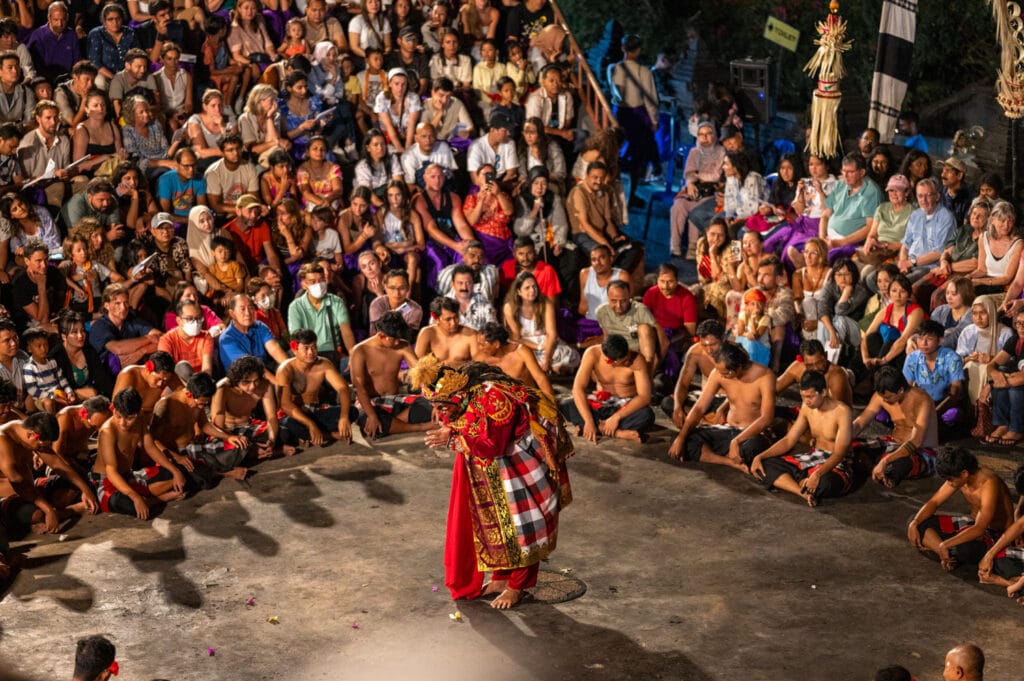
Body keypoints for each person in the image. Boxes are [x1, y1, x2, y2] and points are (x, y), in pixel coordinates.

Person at [415, 357, 573, 609]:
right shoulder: (461, 395)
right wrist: (451, 428)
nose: (441, 413)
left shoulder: (495, 400)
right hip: (489, 465)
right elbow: (461, 422)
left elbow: (493, 446)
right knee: (494, 525)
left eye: (443, 407)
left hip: (517, 461)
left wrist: (452, 436)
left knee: (522, 525)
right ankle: (501, 577)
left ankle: (517, 586)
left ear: (459, 395)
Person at [751, 371, 855, 506]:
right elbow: (789, 440)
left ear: (823, 392)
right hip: (813, 457)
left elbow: (840, 453)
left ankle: (802, 482)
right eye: (803, 397)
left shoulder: (842, 411)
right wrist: (760, 456)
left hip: (836, 462)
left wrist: (817, 474)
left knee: (825, 484)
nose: (806, 401)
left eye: (810, 396)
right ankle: (802, 491)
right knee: (764, 465)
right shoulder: (807, 407)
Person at [669, 342, 774, 471]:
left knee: (751, 448)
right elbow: (699, 407)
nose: (721, 375)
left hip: (752, 433)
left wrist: (737, 441)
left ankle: (719, 454)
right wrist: (681, 437)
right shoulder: (718, 373)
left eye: (725, 373)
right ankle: (728, 461)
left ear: (739, 367)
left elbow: (767, 418)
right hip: (728, 428)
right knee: (683, 439)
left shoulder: (765, 375)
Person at [907, 447, 1013, 572]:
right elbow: (934, 502)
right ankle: (948, 555)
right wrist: (915, 522)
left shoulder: (989, 483)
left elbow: (980, 528)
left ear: (964, 473)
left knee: (966, 549)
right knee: (915, 522)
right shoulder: (959, 478)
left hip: (995, 534)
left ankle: (946, 551)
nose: (949, 483)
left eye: (950, 479)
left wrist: (944, 544)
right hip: (970, 525)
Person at [90, 386, 187, 518]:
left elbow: (151, 447)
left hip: (129, 476)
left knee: (180, 473)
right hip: (107, 482)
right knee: (130, 505)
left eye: (129, 418)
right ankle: (158, 499)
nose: (123, 423)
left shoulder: (140, 421)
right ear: (114, 410)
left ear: (139, 413)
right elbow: (111, 471)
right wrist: (135, 497)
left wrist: (175, 471)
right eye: (118, 416)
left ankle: (148, 498)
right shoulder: (108, 432)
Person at [0, 412, 99, 537]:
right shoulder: (3, 441)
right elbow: (18, 483)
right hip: (9, 497)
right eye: (41, 447)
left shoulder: (27, 429)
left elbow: (58, 465)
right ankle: (70, 511)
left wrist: (86, 490)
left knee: (79, 482)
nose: (41, 450)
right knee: (38, 515)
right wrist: (48, 510)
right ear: (30, 435)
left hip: (33, 492)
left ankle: (52, 512)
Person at [150, 372, 249, 481]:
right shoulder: (165, 405)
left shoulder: (199, 403)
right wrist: (177, 457)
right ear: (189, 394)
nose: (201, 407)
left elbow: (205, 425)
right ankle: (224, 473)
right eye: (200, 403)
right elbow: (153, 440)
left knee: (239, 445)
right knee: (193, 474)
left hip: (194, 448)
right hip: (174, 455)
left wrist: (228, 437)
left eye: (204, 404)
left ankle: (215, 466)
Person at [350, 311, 434, 439]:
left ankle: (394, 423)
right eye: (393, 339)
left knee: (431, 405)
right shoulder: (360, 351)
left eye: (398, 338)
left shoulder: (403, 345)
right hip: (370, 403)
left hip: (395, 400)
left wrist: (435, 400)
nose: (396, 342)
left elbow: (420, 372)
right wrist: (372, 416)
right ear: (381, 335)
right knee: (368, 422)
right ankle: (419, 426)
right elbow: (359, 388)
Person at [851, 365, 939, 488]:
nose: (884, 401)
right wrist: (843, 437)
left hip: (920, 452)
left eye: (888, 397)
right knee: (851, 448)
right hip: (892, 444)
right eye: (882, 397)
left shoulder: (921, 400)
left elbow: (916, 441)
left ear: (901, 390)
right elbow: (860, 422)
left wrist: (886, 460)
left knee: (899, 465)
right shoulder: (881, 395)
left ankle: (882, 468)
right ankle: (878, 470)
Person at [563, 333, 654, 442]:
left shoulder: (637, 359)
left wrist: (616, 417)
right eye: (624, 362)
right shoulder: (592, 354)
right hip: (602, 404)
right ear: (609, 361)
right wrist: (589, 420)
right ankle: (615, 432)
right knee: (567, 405)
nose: (629, 362)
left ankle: (596, 428)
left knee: (646, 415)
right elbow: (578, 388)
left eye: (628, 357)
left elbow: (644, 397)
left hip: (625, 406)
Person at [276, 328, 353, 447]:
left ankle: (310, 437)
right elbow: (285, 404)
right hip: (295, 415)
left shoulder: (324, 364)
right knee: (290, 425)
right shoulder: (285, 370)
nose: (311, 352)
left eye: (314, 347)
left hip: (316, 410)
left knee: (352, 412)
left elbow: (343, 388)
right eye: (306, 348)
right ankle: (332, 435)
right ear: (294, 349)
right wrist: (310, 424)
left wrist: (344, 417)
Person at [609, 34, 658, 207]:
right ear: (638, 51)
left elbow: (615, 93)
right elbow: (651, 98)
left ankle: (616, 195)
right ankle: (630, 196)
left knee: (618, 153)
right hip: (638, 115)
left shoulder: (613, 69)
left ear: (623, 48)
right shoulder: (645, 72)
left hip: (620, 114)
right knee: (635, 159)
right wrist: (653, 120)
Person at [211, 355, 286, 459]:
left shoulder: (264, 385)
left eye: (255, 381)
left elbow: (271, 416)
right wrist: (232, 438)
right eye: (246, 382)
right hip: (226, 431)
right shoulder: (222, 388)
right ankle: (257, 451)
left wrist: (272, 440)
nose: (253, 386)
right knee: (232, 448)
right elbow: (217, 425)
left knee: (283, 433)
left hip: (247, 427)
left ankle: (264, 450)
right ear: (236, 380)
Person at [902, 319, 966, 438]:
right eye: (920, 338)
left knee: (953, 415)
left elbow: (955, 392)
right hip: (921, 405)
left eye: (929, 339)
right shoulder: (912, 358)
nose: (923, 343)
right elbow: (907, 388)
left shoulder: (951, 357)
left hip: (944, 405)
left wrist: (934, 414)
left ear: (940, 340)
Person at [671, 120, 724, 258]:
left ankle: (693, 248)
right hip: (693, 190)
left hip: (710, 193)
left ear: (714, 135)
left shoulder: (721, 152)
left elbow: (716, 176)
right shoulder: (695, 152)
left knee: (696, 211)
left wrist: (698, 176)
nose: (705, 138)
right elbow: (688, 173)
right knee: (678, 206)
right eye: (701, 135)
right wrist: (690, 183)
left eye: (708, 134)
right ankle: (675, 246)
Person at [818, 152, 882, 261]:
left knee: (824, 258)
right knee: (804, 249)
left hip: (850, 242)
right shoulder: (841, 184)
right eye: (843, 171)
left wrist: (840, 243)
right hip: (829, 237)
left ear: (861, 172)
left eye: (850, 172)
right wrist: (822, 240)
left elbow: (869, 228)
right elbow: (825, 215)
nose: (845, 176)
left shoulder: (871, 192)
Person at [895, 177, 957, 284]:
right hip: (909, 263)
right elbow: (905, 244)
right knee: (874, 276)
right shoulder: (915, 214)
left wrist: (911, 263)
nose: (923, 200)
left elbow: (939, 252)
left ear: (937, 196)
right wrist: (903, 262)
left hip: (928, 267)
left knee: (902, 284)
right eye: (920, 196)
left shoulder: (946, 217)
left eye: (928, 195)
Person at [88, 283, 162, 370]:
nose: (123, 308)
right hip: (104, 375)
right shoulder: (100, 326)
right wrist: (148, 339)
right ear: (107, 306)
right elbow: (118, 348)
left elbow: (162, 338)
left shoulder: (132, 319)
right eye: (117, 303)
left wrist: (142, 351)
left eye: (126, 302)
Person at [473, 322, 553, 396]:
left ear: (496, 344)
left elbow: (540, 378)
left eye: (482, 345)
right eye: (478, 344)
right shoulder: (480, 358)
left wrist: (551, 404)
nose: (479, 348)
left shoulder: (521, 352)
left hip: (527, 399)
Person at [219, 294, 289, 377]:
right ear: (232, 313)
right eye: (242, 309)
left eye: (251, 307)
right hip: (244, 378)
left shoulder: (260, 326)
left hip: (264, 371)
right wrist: (276, 382)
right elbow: (249, 366)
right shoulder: (226, 339)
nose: (248, 313)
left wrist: (290, 369)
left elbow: (275, 350)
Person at [775, 339, 853, 405]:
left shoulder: (836, 376)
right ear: (802, 362)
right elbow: (774, 388)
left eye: (819, 363)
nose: (815, 368)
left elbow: (835, 411)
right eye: (810, 365)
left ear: (826, 356)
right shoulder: (798, 367)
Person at [157, 299, 214, 380]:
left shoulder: (206, 337)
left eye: (198, 318)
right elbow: (165, 373)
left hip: (200, 383)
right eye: (189, 319)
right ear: (179, 320)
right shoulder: (166, 340)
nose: (195, 322)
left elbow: (207, 369)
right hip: (176, 384)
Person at [22, 327, 75, 414]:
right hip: (42, 398)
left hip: (58, 393)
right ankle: (52, 422)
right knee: (49, 403)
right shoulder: (29, 366)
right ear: (29, 349)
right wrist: (52, 396)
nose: (43, 349)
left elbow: (62, 379)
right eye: (38, 346)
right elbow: (32, 390)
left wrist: (69, 392)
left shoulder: (52, 362)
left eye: (45, 344)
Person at [415, 296, 478, 366]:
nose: (453, 323)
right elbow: (417, 366)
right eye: (448, 319)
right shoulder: (427, 333)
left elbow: (478, 364)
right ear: (437, 319)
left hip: (464, 375)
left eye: (456, 317)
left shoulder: (471, 335)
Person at [54, 397, 111, 467]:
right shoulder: (64, 420)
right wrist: (79, 472)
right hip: (62, 460)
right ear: (83, 416)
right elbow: (56, 452)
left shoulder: (106, 414)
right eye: (94, 427)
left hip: (83, 453)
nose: (99, 430)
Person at [368, 268, 423, 335]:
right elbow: (375, 332)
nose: (397, 293)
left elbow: (407, 337)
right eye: (392, 288)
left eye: (402, 288)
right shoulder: (378, 304)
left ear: (408, 288)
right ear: (385, 287)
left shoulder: (415, 309)